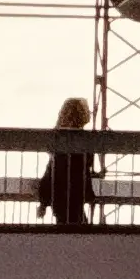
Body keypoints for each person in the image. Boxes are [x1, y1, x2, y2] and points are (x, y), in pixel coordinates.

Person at [43, 94, 98, 228]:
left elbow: (52, 171)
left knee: (68, 225)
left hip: (61, 194)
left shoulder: (59, 139)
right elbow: (82, 166)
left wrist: (44, 201)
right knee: (77, 226)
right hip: (72, 194)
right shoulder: (81, 140)